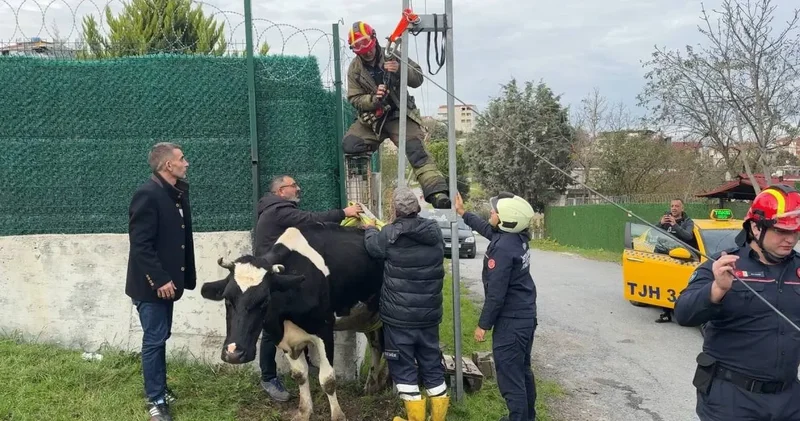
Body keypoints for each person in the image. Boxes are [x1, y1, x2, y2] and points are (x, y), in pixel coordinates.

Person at [674, 184, 800, 421]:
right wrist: (716, 289)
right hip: (731, 399)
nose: (790, 239)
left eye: (796, 232)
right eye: (782, 231)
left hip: (789, 398)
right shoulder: (724, 265)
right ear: (755, 226)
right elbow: (683, 313)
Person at [252, 174, 362, 401]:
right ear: (281, 191)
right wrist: (344, 214)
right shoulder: (278, 211)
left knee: (302, 321)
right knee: (272, 329)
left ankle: (307, 363)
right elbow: (310, 219)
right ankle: (268, 377)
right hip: (272, 279)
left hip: (285, 276)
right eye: (293, 186)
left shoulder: (275, 208)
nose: (298, 189)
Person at [342, 20, 451, 210]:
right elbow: (354, 98)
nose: (366, 52)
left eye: (366, 46)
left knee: (416, 152)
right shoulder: (355, 69)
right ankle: (360, 193)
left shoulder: (393, 54)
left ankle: (437, 193)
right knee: (351, 145)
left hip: (398, 114)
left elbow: (417, 79)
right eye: (359, 49)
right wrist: (373, 99)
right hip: (373, 120)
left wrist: (400, 69)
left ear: (374, 40)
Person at [362, 187, 449, 421]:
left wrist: (370, 229)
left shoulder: (389, 234)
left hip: (399, 319)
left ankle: (415, 419)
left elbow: (373, 248)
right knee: (431, 363)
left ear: (395, 210)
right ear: (418, 208)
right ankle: (438, 418)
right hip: (429, 316)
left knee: (403, 368)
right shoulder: (434, 231)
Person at [125, 142, 196, 421]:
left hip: (169, 285)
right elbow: (140, 245)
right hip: (152, 285)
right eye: (182, 159)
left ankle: (160, 388)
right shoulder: (147, 194)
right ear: (168, 165)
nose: (186, 163)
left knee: (161, 336)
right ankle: (155, 400)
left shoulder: (175, 194)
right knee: (154, 339)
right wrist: (159, 279)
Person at [456, 192, 537, 421]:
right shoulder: (516, 238)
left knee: (511, 378)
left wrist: (483, 325)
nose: (491, 212)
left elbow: (496, 295)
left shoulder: (502, 249)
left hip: (511, 323)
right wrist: (463, 213)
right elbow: (487, 229)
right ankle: (527, 417)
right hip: (525, 317)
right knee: (522, 372)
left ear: (506, 219)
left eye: (495, 211)